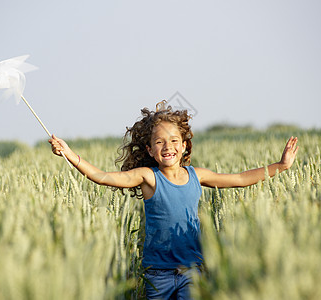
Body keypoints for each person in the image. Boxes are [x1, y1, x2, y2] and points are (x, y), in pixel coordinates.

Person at [49, 101, 299, 299]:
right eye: (159, 142)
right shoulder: (149, 177)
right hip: (158, 275)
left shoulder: (197, 176)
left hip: (192, 270)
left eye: (173, 140)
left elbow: (240, 179)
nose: (167, 146)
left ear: (184, 145)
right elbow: (102, 177)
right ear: (149, 150)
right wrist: (69, 153)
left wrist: (281, 165)